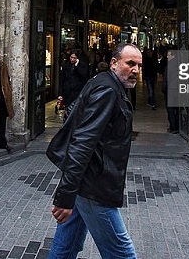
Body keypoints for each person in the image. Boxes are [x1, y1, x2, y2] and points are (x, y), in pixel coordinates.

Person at [48, 43, 141, 259]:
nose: (135, 70)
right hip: (94, 186)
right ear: (114, 63)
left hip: (86, 182)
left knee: (66, 247)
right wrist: (65, 195)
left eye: (138, 65)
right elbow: (82, 142)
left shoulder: (105, 83)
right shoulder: (108, 90)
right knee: (122, 254)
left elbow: (74, 112)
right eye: (130, 63)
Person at [58, 49, 88, 113]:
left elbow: (84, 75)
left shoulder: (82, 65)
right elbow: (62, 79)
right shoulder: (66, 65)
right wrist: (60, 94)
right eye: (71, 57)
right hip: (67, 92)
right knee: (67, 111)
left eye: (74, 58)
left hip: (77, 92)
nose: (72, 59)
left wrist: (77, 66)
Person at [161, 49, 179, 134]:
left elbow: (166, 80)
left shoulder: (169, 67)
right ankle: (178, 126)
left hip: (170, 90)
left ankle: (173, 127)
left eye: (169, 55)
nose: (167, 56)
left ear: (173, 56)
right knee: (177, 109)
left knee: (170, 109)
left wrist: (163, 89)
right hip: (179, 90)